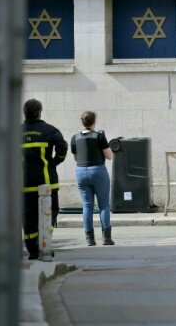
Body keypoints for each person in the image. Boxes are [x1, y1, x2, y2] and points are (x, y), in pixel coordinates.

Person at [21, 98, 68, 259]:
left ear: (25, 113)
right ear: (39, 112)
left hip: (25, 183)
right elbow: (62, 146)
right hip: (47, 181)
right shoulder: (49, 130)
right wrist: (55, 162)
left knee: (28, 217)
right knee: (50, 211)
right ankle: (44, 243)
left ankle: (33, 249)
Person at [70, 111, 115, 247]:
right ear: (94, 121)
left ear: (82, 122)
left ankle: (90, 239)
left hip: (81, 172)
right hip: (98, 171)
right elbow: (109, 156)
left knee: (87, 206)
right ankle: (106, 238)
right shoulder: (99, 136)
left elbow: (76, 158)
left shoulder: (75, 138)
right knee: (104, 205)